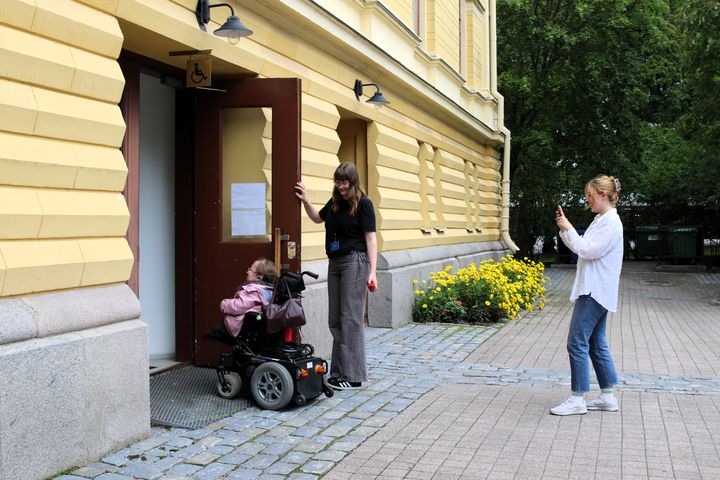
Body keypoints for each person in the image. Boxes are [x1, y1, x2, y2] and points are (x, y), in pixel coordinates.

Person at [294, 162, 377, 390]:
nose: (341, 186)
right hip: (335, 262)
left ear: (353, 181)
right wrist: (305, 200)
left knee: (350, 319)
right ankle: (340, 372)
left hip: (355, 262)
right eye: (338, 181)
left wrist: (373, 272)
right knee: (336, 320)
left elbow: (371, 239)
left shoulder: (364, 204)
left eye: (345, 182)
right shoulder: (335, 203)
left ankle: (354, 376)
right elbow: (317, 219)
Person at [551, 175, 623, 416]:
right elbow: (581, 246)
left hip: (594, 290)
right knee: (595, 342)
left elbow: (588, 250)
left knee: (577, 342)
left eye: (590, 196)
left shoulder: (610, 222)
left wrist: (568, 229)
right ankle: (607, 396)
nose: (587, 200)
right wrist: (566, 229)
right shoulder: (602, 219)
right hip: (596, 289)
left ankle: (577, 398)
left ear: (604, 195)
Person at [203, 257, 277, 344]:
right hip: (251, 327)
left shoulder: (254, 290)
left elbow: (237, 306)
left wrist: (224, 303)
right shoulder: (268, 290)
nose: (247, 271)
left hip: (239, 328)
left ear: (258, 278)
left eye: (250, 269)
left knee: (210, 334)